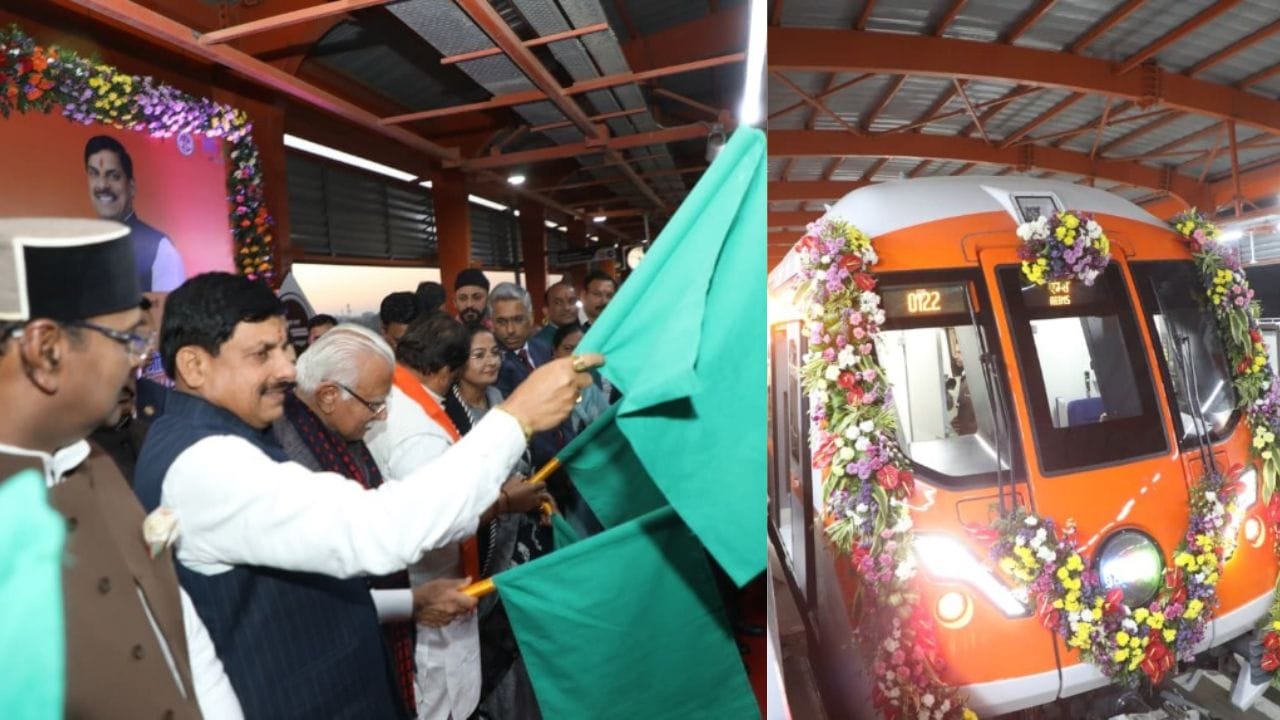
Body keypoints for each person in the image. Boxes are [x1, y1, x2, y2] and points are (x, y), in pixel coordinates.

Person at [133, 271, 599, 718]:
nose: (288, 369)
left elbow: (296, 586)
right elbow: (378, 528)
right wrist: (516, 419)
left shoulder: (222, 437)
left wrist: (409, 603)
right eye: (262, 354)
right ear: (194, 365)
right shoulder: (207, 463)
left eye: (286, 348)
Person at [0, 217, 239, 718]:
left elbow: (182, 639)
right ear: (46, 352)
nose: (138, 362)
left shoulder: (93, 460)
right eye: (128, 340)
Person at [273, 323, 482, 715]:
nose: (382, 415)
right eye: (373, 404)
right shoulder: (292, 460)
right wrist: (411, 603)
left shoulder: (333, 435)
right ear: (328, 396)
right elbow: (319, 595)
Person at [368, 314, 550, 720]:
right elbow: (437, 522)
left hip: (418, 590)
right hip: (430, 596)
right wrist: (505, 502)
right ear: (448, 373)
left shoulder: (398, 399)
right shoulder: (419, 432)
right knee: (442, 704)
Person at [444, 325, 550, 720]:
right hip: (480, 541)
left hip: (519, 535)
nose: (491, 361)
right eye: (479, 355)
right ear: (458, 363)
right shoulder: (447, 417)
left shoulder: (502, 401)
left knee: (518, 635)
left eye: (494, 353)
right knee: (486, 642)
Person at [84, 135, 186, 292]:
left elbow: (174, 307)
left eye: (114, 176)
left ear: (131, 187)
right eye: (94, 174)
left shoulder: (158, 248)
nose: (102, 185)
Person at [490, 282, 552, 399]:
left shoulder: (543, 349)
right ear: (492, 323)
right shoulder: (492, 361)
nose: (510, 330)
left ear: (531, 318)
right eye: (502, 322)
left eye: (518, 320)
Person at [551, 323, 608, 433]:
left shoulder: (589, 387)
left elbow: (607, 423)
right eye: (568, 349)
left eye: (581, 348)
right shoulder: (546, 388)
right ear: (555, 353)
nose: (575, 355)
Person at [532, 280, 579, 347]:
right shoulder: (538, 343)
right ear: (546, 311)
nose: (567, 308)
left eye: (571, 301)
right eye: (558, 303)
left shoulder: (587, 333)